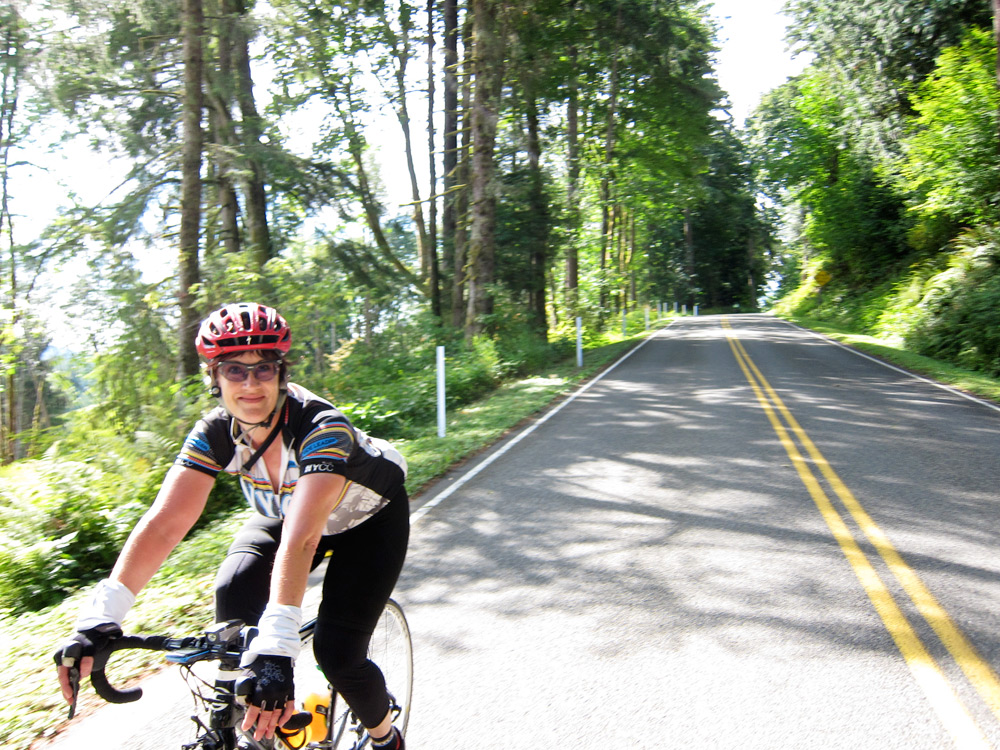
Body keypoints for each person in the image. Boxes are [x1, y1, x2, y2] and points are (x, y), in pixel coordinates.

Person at [54, 302, 409, 749]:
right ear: (215, 377)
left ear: (281, 373)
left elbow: (302, 540)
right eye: (234, 371)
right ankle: (253, 718)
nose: (250, 384)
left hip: (367, 522)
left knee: (339, 654)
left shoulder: (322, 427)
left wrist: (279, 640)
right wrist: (101, 617)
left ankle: (384, 736)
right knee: (234, 595)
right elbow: (165, 524)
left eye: (264, 369)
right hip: (286, 514)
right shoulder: (216, 432)